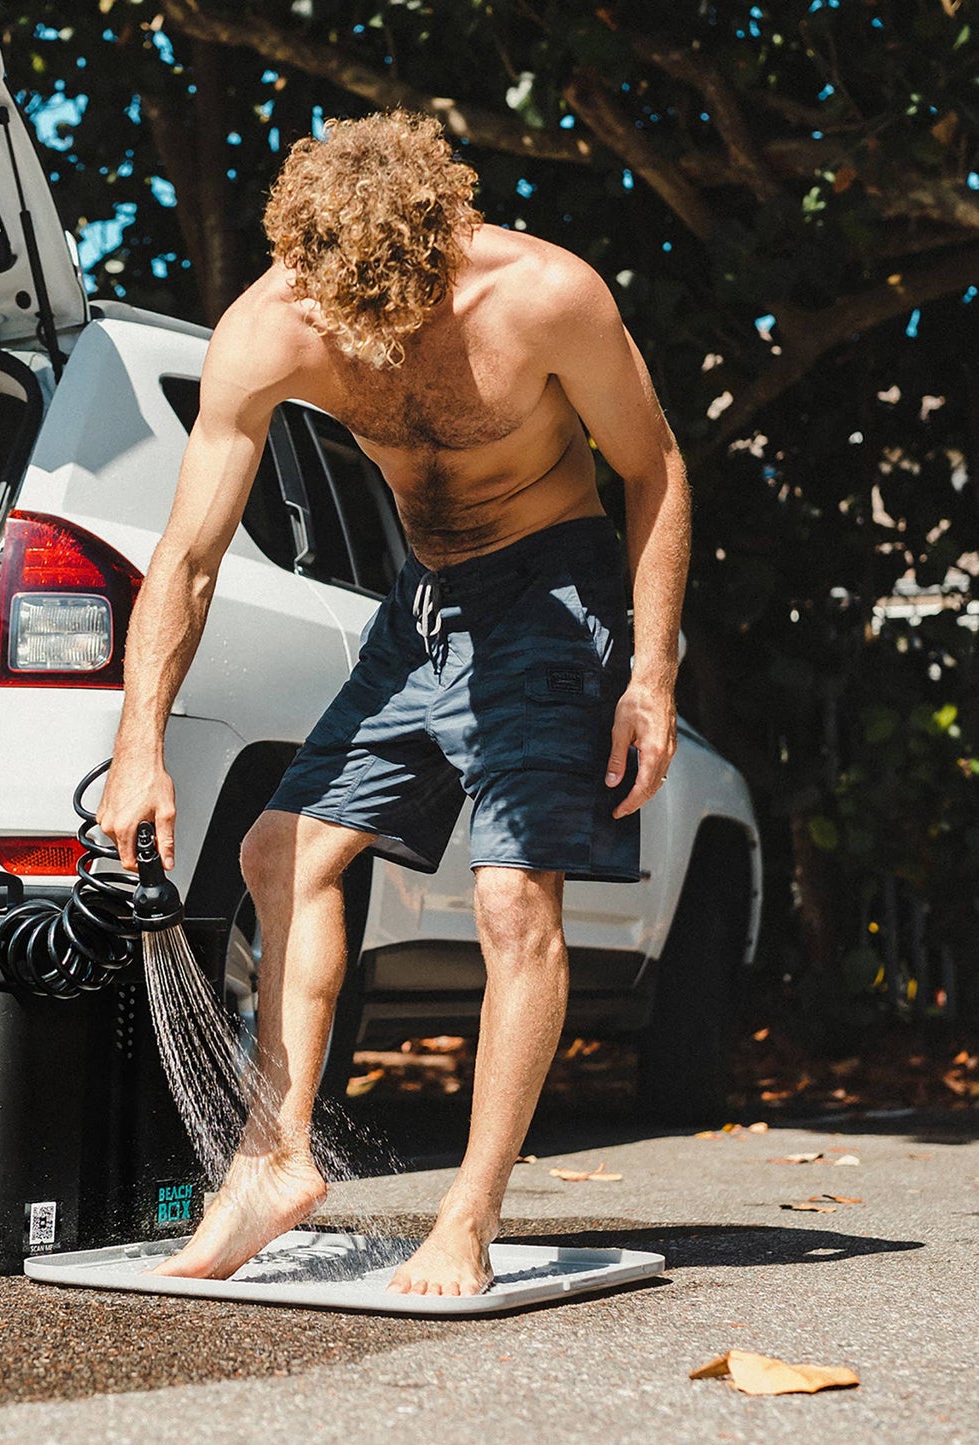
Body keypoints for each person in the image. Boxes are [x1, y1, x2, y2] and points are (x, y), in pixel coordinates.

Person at [98, 110, 689, 1297]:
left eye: (391, 306)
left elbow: (654, 467)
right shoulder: (271, 324)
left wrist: (650, 670)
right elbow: (190, 554)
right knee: (282, 850)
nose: (359, 331)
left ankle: (464, 1217)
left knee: (512, 897)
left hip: (551, 587)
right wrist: (137, 744)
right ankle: (270, 1158)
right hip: (420, 602)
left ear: (443, 248)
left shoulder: (542, 297)